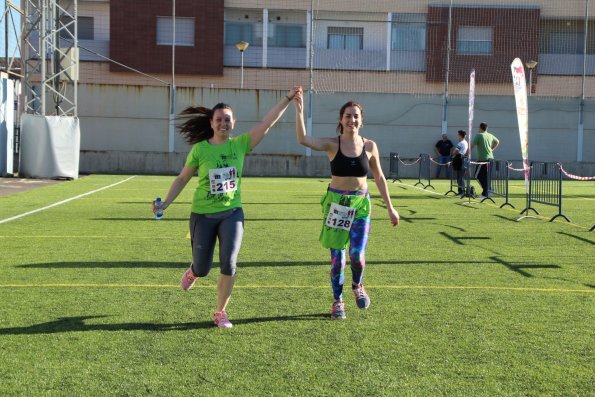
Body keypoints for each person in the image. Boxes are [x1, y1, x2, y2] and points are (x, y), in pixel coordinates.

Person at [153, 87, 299, 328]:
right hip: (202, 215)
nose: (223, 123)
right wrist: (166, 203)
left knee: (229, 262)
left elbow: (267, 122)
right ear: (211, 123)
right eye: (219, 119)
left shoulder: (240, 144)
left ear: (234, 123)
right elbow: (182, 178)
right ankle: (193, 272)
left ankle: (220, 311)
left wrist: (288, 99)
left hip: (232, 213)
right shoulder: (201, 149)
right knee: (202, 267)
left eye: (227, 119)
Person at [293, 88, 400, 320]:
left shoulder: (370, 146)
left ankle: (357, 285)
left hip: (361, 204)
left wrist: (390, 207)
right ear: (341, 120)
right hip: (336, 205)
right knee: (337, 260)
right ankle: (337, 301)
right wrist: (299, 110)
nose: (352, 119)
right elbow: (303, 139)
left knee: (356, 256)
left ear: (361, 121)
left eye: (356, 116)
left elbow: (379, 177)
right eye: (348, 115)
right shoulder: (332, 144)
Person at [470, 122, 499, 198]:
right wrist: (491, 149)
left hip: (483, 160)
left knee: (477, 176)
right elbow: (497, 142)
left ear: (480, 128)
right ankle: (488, 190)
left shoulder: (479, 135)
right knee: (485, 176)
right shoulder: (490, 135)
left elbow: (472, 146)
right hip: (490, 158)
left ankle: (486, 192)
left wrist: (466, 153)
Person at [451, 130, 469, 195]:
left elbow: (455, 151)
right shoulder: (466, 142)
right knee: (460, 176)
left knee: (460, 176)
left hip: (459, 159)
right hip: (463, 159)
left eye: (458, 134)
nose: (457, 136)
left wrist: (453, 154)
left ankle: (461, 191)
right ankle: (461, 190)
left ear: (460, 135)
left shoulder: (460, 143)